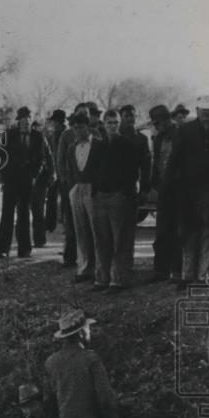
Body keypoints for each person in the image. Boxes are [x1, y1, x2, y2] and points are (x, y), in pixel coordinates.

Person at [161, 95, 209, 288]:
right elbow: (174, 159)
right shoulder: (185, 130)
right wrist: (167, 184)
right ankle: (187, 275)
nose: (206, 117)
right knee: (188, 233)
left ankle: (202, 276)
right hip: (189, 191)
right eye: (203, 113)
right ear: (197, 112)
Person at [91, 109, 141, 292]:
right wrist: (95, 191)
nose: (112, 125)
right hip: (100, 197)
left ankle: (118, 280)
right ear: (103, 124)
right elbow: (92, 170)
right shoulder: (98, 146)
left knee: (120, 240)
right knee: (102, 240)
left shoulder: (126, 145)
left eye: (115, 122)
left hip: (118, 196)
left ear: (119, 124)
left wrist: (123, 192)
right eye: (109, 122)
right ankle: (101, 279)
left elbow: (132, 172)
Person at [60, 112, 106, 284]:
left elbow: (103, 169)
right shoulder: (72, 148)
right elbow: (69, 169)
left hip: (93, 189)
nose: (78, 130)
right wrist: (72, 187)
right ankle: (85, 267)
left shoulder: (99, 145)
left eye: (81, 127)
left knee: (97, 231)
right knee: (81, 230)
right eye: (75, 127)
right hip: (77, 188)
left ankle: (100, 270)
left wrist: (97, 187)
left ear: (88, 127)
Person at [0, 106, 43, 258]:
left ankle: (24, 249)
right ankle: (3, 248)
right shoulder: (9, 135)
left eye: (28, 120)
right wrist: (5, 175)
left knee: (24, 214)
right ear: (18, 122)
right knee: (7, 214)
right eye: (22, 120)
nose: (25, 123)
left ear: (31, 121)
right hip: (11, 180)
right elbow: (0, 157)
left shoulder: (38, 136)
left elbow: (41, 159)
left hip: (27, 181)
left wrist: (34, 175)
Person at [54, 103, 93, 267]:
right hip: (71, 185)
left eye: (86, 114)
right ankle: (70, 257)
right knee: (70, 222)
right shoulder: (67, 135)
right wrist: (64, 181)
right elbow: (60, 160)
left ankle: (91, 260)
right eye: (80, 113)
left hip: (91, 185)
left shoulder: (95, 133)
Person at [147, 103, 180, 282]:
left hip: (178, 190)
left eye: (159, 122)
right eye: (155, 123)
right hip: (164, 191)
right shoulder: (158, 138)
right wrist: (155, 183)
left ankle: (177, 270)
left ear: (167, 120)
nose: (157, 126)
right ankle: (160, 271)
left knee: (177, 232)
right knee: (162, 232)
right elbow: (156, 162)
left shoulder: (179, 135)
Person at [42, 110, 67, 237]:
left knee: (62, 198)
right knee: (52, 197)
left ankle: (61, 223)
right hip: (56, 169)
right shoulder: (56, 133)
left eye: (55, 121)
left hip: (62, 170)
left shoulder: (64, 133)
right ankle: (50, 223)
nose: (54, 123)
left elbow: (58, 153)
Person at [29, 118, 53, 247]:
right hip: (33, 178)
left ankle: (39, 239)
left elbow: (48, 158)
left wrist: (50, 175)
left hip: (40, 180)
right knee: (35, 209)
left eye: (37, 127)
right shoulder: (33, 140)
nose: (36, 130)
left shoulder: (42, 140)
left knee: (37, 210)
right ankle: (38, 239)